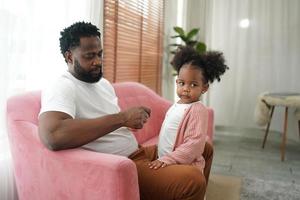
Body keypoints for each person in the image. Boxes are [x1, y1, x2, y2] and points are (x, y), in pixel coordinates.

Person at [38, 21, 213, 200]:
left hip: (138, 153)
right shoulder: (62, 86)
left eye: (100, 54)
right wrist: (122, 118)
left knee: (204, 149)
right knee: (193, 181)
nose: (98, 61)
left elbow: (110, 124)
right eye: (90, 56)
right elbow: (53, 135)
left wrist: (129, 122)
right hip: (121, 165)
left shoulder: (103, 84)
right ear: (69, 57)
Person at [147, 46, 228, 198]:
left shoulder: (197, 109)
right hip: (167, 159)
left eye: (193, 85)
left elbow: (194, 146)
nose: (186, 89)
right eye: (182, 83)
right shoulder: (176, 105)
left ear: (204, 88)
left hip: (184, 164)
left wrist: (168, 159)